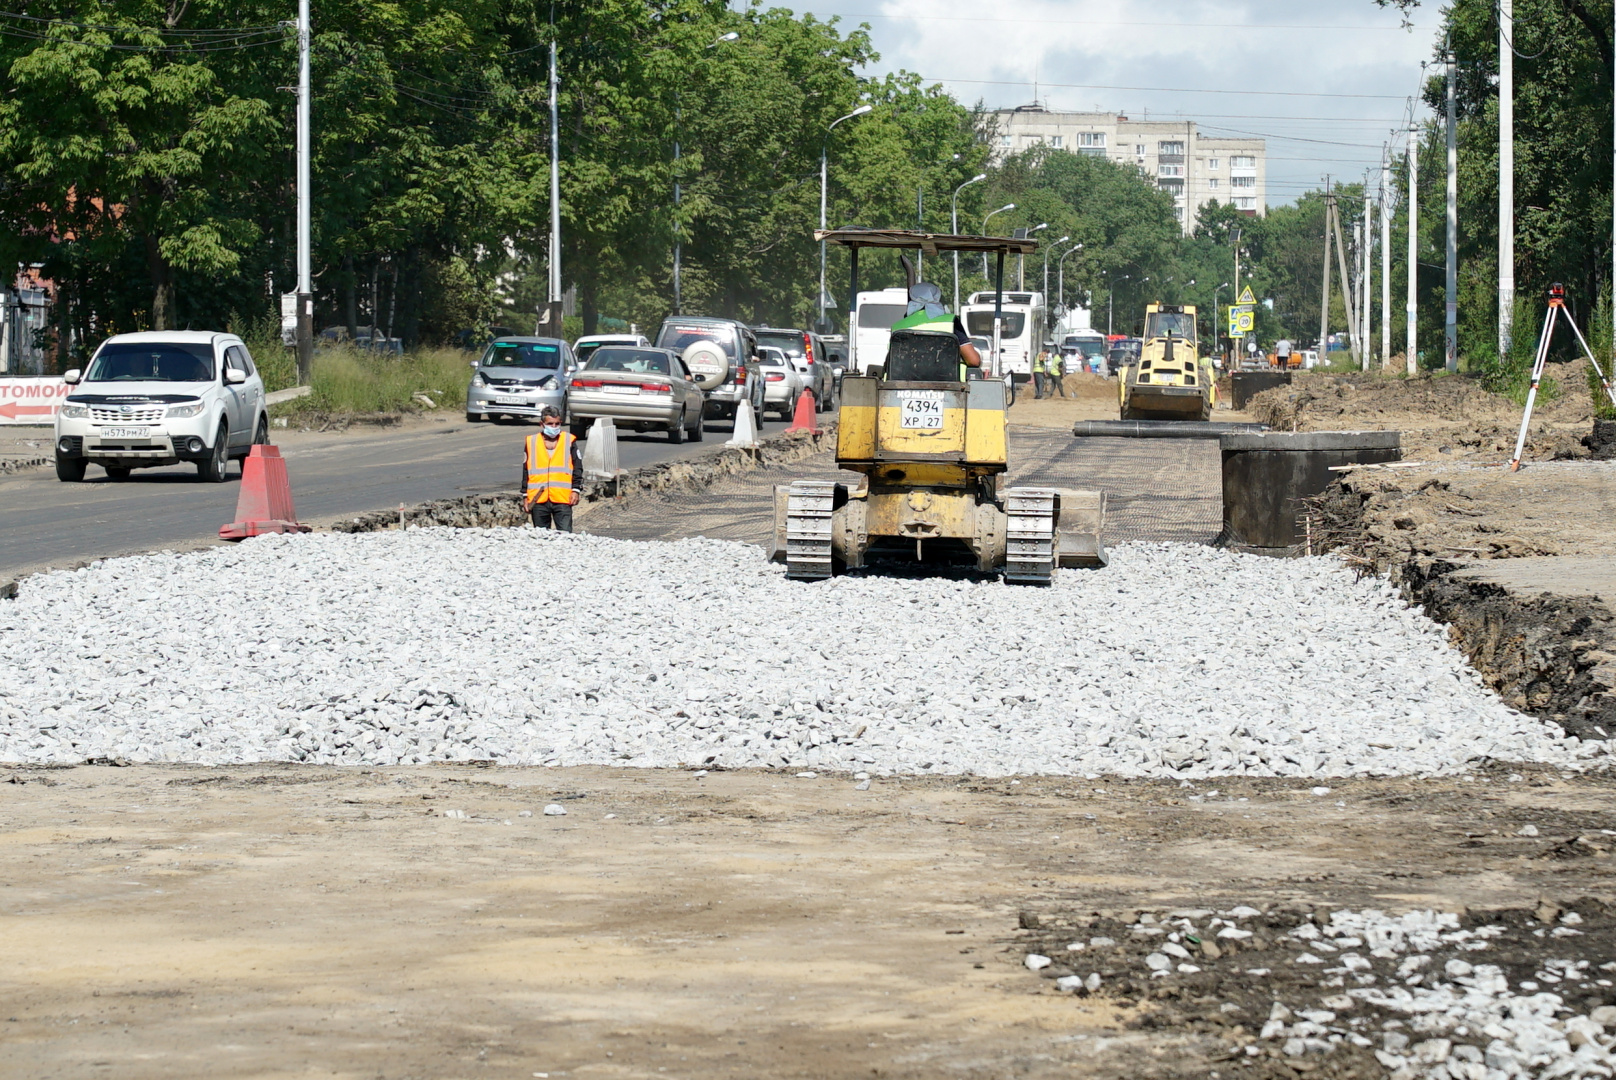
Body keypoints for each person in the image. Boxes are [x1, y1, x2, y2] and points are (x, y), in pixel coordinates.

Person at [521, 405, 582, 531]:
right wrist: (525, 496)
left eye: (557, 424)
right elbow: (526, 470)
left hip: (562, 498)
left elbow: (577, 467)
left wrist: (576, 490)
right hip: (538, 498)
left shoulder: (569, 440)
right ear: (542, 424)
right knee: (541, 537)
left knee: (565, 535)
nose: (554, 427)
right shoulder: (531, 442)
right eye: (550, 424)